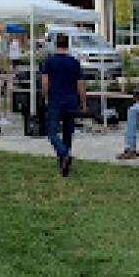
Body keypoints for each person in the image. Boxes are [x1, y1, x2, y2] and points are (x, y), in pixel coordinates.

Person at [40, 33, 86, 177]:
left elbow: (45, 81)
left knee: (52, 132)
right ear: (68, 44)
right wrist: (83, 102)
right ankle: (63, 162)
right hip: (71, 101)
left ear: (55, 44)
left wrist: (45, 96)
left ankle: (63, 153)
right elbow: (80, 84)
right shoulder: (74, 62)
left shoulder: (49, 61)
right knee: (68, 132)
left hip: (55, 99)